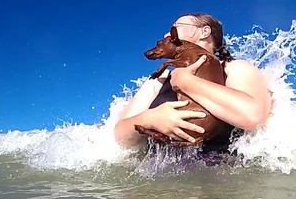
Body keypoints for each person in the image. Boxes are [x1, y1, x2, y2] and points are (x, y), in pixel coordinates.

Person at [113, 13, 272, 152]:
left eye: (175, 26)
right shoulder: (158, 79)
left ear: (204, 31)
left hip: (220, 177)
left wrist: (186, 82)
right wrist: (149, 119)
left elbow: (254, 116)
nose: (166, 33)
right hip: (161, 183)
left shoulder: (235, 68)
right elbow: (120, 137)